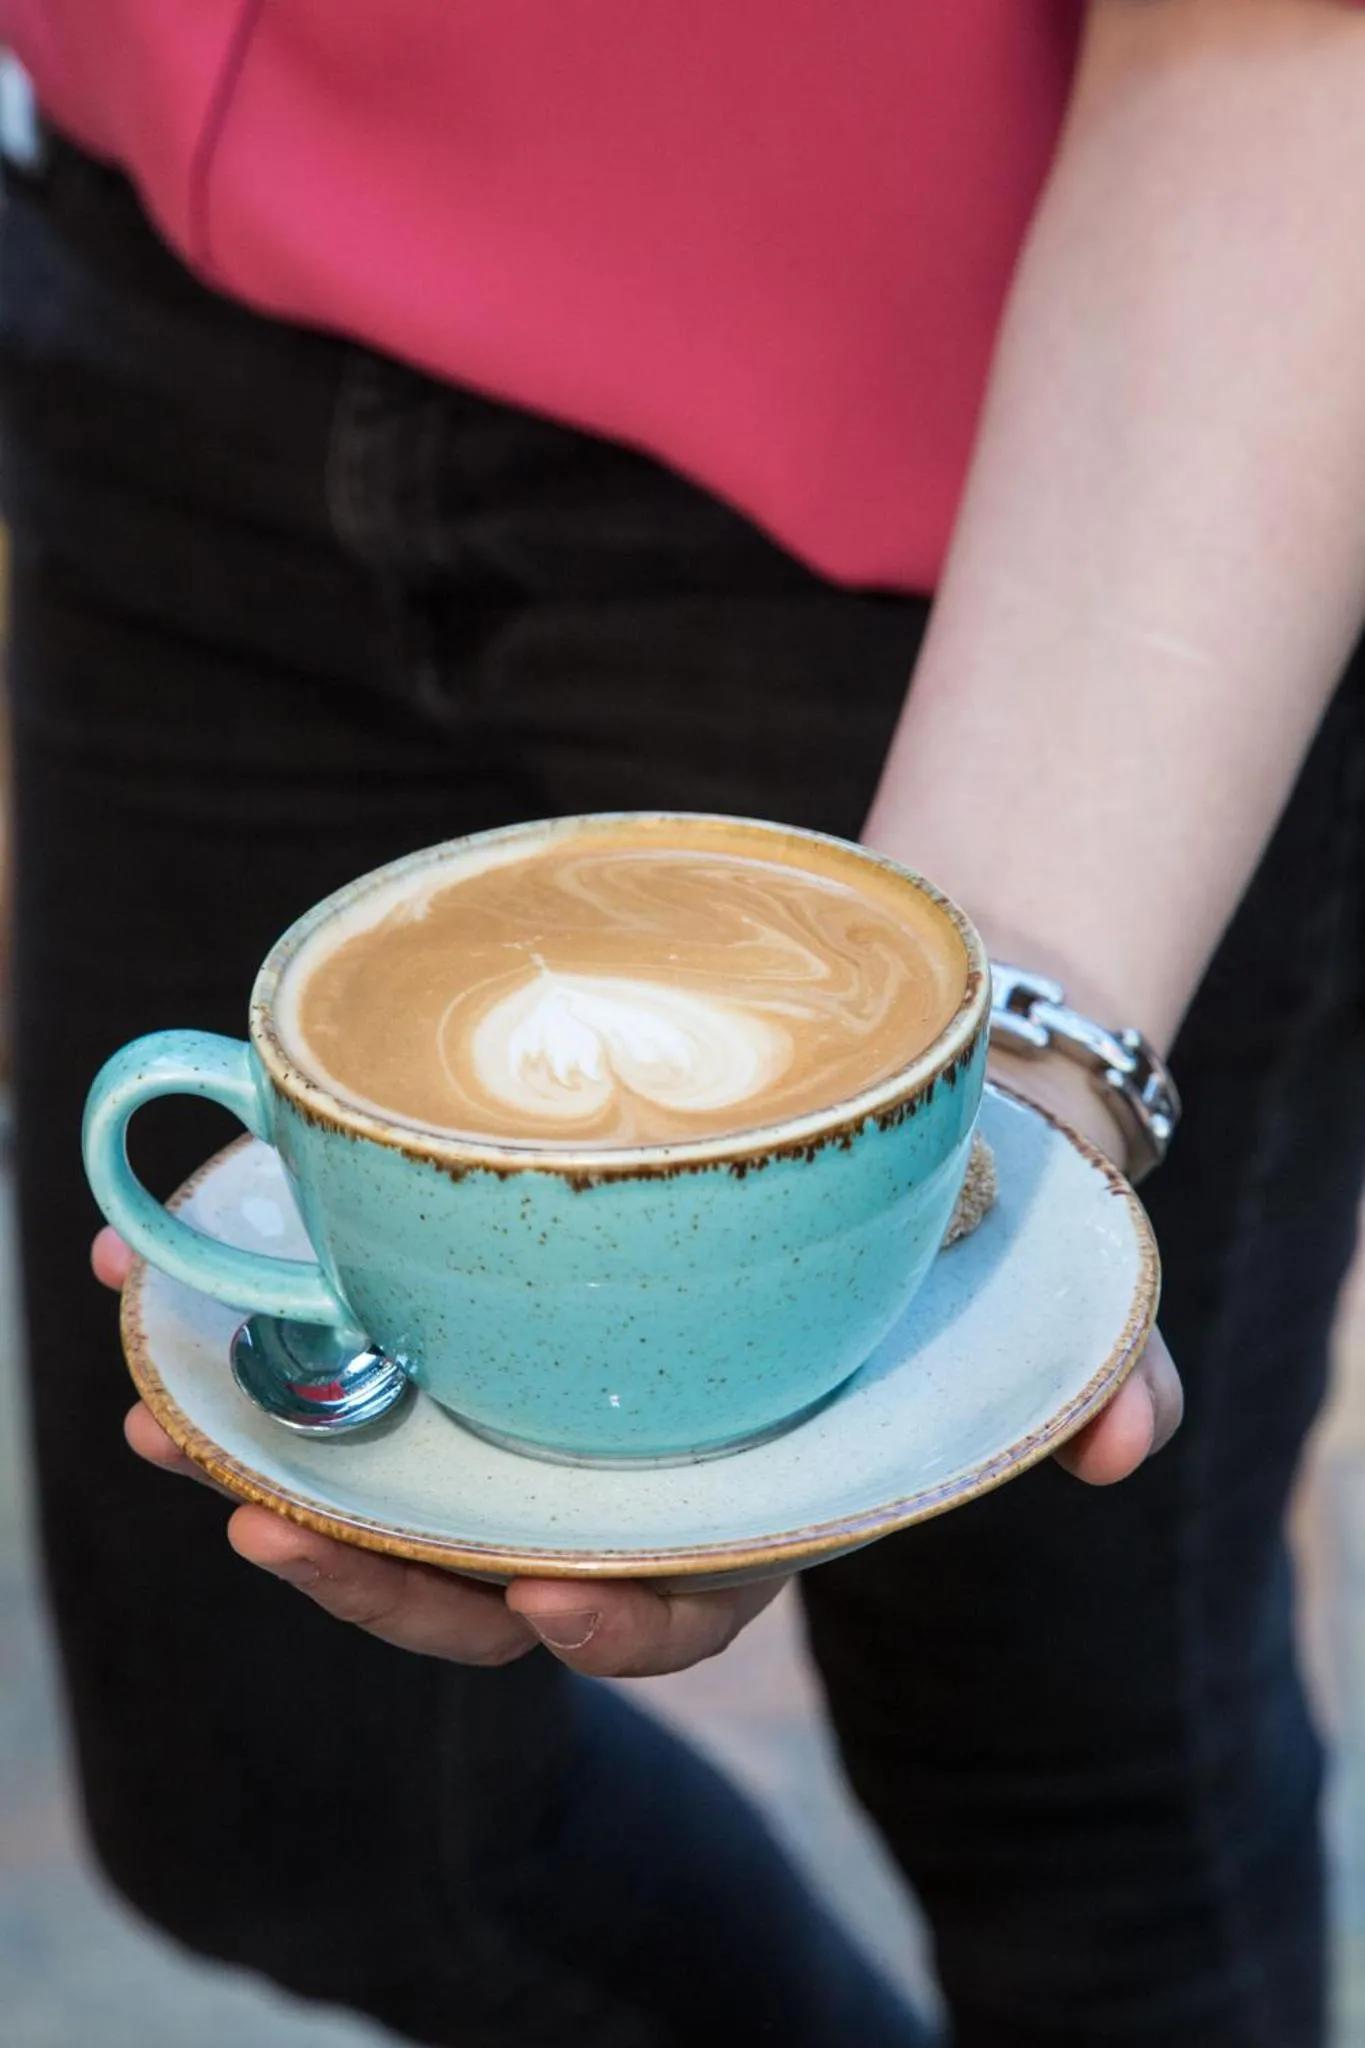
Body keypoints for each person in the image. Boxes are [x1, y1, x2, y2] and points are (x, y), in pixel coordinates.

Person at [3, 0, 1363, 2040]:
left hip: (1035, 435)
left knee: (1079, 1801)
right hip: (178, 359)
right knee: (280, 1805)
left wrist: (1019, 1040)